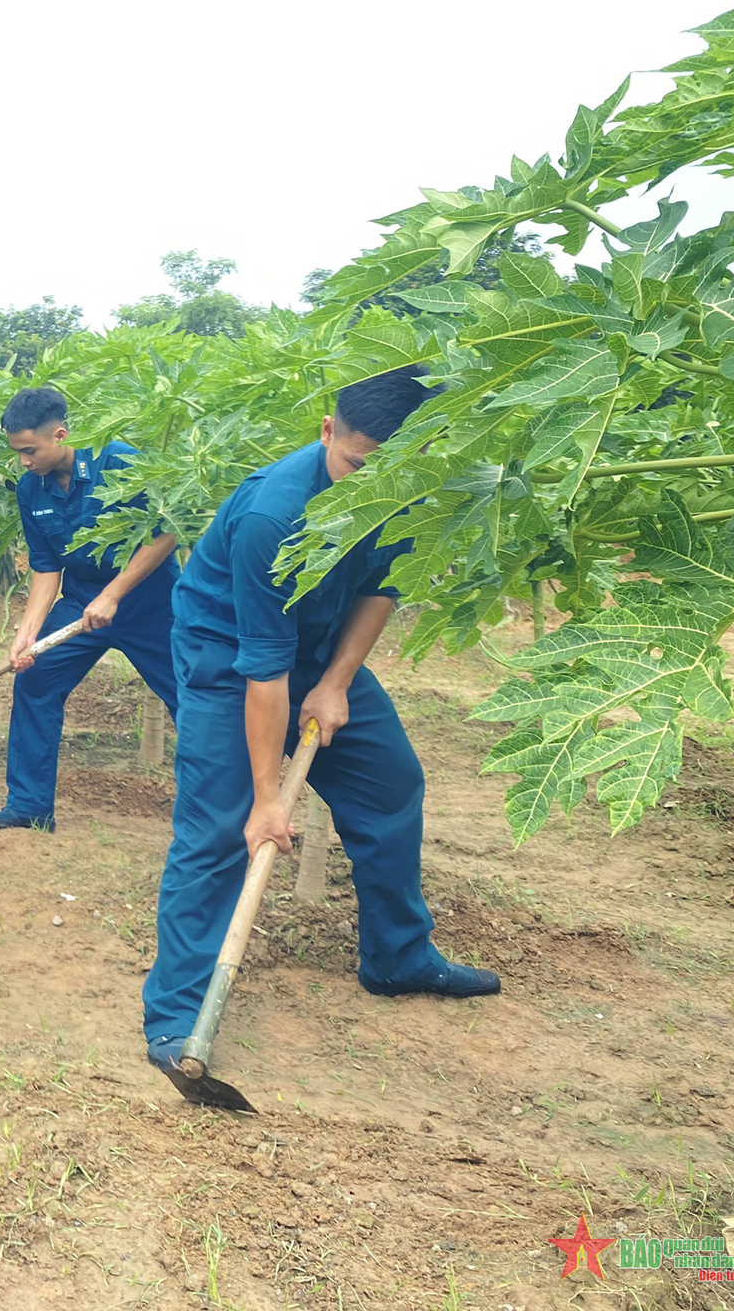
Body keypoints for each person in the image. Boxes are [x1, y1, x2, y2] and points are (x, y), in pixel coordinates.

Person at [144, 366, 500, 1076]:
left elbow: (382, 587)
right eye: (358, 467)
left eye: (390, 471)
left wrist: (336, 683)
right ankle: (177, 1016)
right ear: (328, 431)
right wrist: (267, 801)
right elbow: (263, 669)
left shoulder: (404, 485)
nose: (372, 486)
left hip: (322, 644)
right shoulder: (273, 516)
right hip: (230, 655)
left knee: (389, 783)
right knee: (220, 828)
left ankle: (398, 957)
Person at [0, 386, 181, 833]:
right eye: (17, 452)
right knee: (36, 679)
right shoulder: (31, 489)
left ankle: (216, 816)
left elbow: (166, 533)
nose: (23, 461)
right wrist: (27, 634)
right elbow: (46, 567)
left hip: (152, 601)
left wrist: (115, 594)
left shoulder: (119, 461)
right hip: (83, 600)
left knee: (192, 696)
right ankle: (29, 805)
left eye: (30, 450)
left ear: (60, 434)